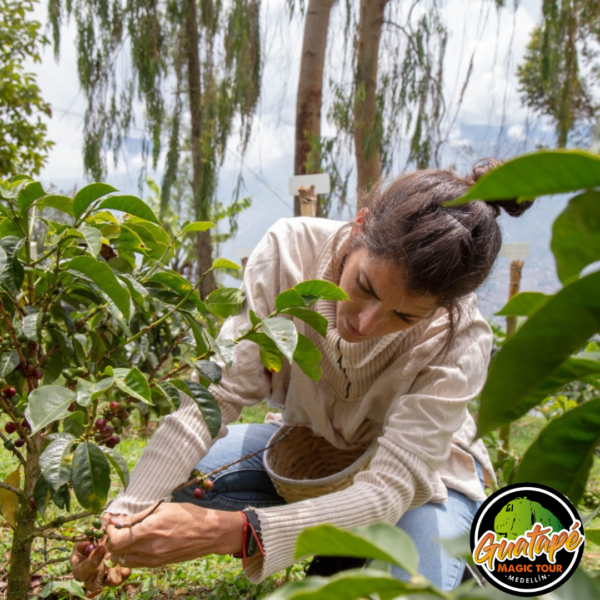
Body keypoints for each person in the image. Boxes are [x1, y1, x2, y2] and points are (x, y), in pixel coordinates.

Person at [71, 160, 532, 594]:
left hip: (422, 485)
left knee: (409, 589)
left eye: (404, 317)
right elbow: (212, 399)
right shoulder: (290, 254)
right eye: (364, 287)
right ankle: (336, 545)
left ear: (441, 309)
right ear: (358, 226)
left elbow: (390, 489)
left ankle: (453, 561)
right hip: (310, 455)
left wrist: (236, 533)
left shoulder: (460, 336)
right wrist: (120, 524)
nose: (365, 324)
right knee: (170, 487)